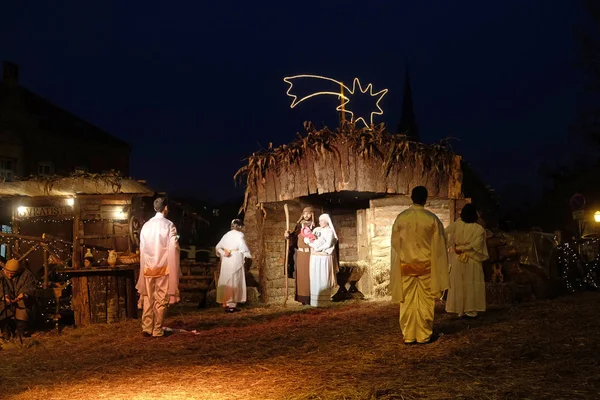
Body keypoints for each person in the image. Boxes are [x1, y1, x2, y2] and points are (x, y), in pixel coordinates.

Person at [390, 186, 449, 344]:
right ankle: (423, 335)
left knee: (407, 301)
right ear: (425, 199)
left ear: (412, 198)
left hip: (406, 266)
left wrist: (406, 255)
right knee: (426, 302)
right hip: (427, 267)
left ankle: (408, 335)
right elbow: (440, 245)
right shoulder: (432, 219)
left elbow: (395, 243)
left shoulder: (401, 218)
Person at [136, 197, 181, 338]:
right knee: (161, 298)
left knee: (148, 297)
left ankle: (147, 327)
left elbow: (142, 248)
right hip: (163, 266)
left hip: (148, 267)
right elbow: (174, 246)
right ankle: (157, 329)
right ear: (165, 208)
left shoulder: (146, 226)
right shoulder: (169, 225)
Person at [445, 203, 488, 318]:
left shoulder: (457, 225)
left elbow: (445, 234)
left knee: (458, 283)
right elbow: (476, 245)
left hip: (458, 258)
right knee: (472, 283)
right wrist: (464, 248)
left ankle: (460, 309)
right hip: (472, 259)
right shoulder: (479, 229)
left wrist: (457, 247)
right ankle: (471, 310)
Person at [215, 219, 252, 313]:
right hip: (235, 259)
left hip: (227, 260)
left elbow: (217, 247)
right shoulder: (240, 235)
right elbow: (243, 247)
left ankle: (227, 303)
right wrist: (248, 254)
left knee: (227, 279)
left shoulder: (226, 235)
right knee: (234, 280)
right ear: (239, 226)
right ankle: (231, 305)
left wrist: (223, 253)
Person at [284, 207, 317, 305]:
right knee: (301, 276)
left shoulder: (315, 226)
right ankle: (303, 299)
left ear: (312, 214)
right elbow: (293, 239)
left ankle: (313, 297)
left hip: (311, 255)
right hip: (301, 255)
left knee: (311, 276)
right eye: (304, 213)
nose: (306, 215)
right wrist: (287, 236)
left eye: (309, 213)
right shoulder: (299, 226)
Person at [0, 258, 37, 341]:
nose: (10, 275)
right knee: (3, 306)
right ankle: (5, 330)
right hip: (4, 301)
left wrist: (23, 294)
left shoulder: (26, 274)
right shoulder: (0, 276)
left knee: (23, 305)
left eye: (12, 273)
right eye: (8, 273)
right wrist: (4, 296)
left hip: (19, 300)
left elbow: (30, 286)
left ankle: (21, 331)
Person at [305, 213, 338, 307]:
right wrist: (310, 243)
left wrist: (317, 248)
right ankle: (314, 300)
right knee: (314, 277)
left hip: (324, 258)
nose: (320, 222)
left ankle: (324, 301)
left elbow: (328, 244)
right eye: (319, 220)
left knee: (323, 277)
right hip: (315, 257)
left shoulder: (329, 232)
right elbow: (308, 238)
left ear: (327, 221)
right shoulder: (316, 229)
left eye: (322, 220)